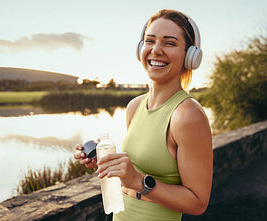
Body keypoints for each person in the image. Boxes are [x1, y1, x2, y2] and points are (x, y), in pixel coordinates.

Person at [74, 9, 213, 221]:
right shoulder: (134, 106)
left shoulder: (188, 115)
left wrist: (139, 181)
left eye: (170, 43)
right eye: (150, 41)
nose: (156, 50)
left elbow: (197, 202)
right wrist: (105, 163)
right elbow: (133, 175)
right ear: (141, 49)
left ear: (190, 56)